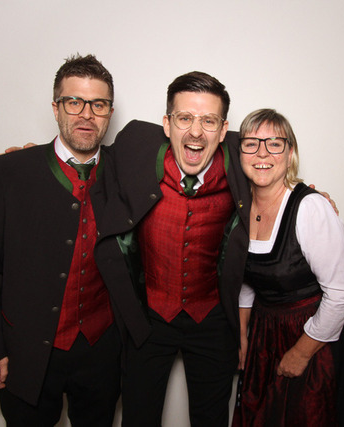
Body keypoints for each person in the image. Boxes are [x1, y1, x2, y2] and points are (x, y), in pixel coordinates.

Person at [0, 54, 122, 426]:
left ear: (110, 113)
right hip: (26, 349)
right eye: (74, 102)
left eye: (98, 104)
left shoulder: (126, 170)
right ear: (56, 108)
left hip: (102, 350)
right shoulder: (8, 171)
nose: (87, 114)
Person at [93, 71, 251, 427]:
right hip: (149, 316)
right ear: (166, 124)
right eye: (184, 118)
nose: (196, 132)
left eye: (208, 121)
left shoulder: (243, 163)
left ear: (224, 131)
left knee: (212, 420)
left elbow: (276, 174)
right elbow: (88, 158)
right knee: (138, 418)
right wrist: (31, 158)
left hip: (212, 318)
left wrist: (308, 195)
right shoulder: (134, 146)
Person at [231, 109, 344, 426]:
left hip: (314, 333)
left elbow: (341, 293)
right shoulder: (240, 206)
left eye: (274, 144)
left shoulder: (311, 207)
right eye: (251, 144)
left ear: (290, 154)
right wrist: (243, 336)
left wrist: (301, 352)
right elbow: (247, 278)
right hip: (266, 334)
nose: (262, 154)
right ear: (239, 152)